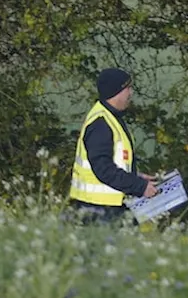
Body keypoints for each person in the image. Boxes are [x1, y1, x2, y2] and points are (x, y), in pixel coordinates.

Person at [68, 68, 158, 223]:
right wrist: (139, 186)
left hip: (107, 207)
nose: (131, 93)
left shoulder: (110, 117)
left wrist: (134, 175)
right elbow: (103, 168)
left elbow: (113, 163)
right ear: (116, 91)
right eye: (128, 88)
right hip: (99, 210)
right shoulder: (101, 123)